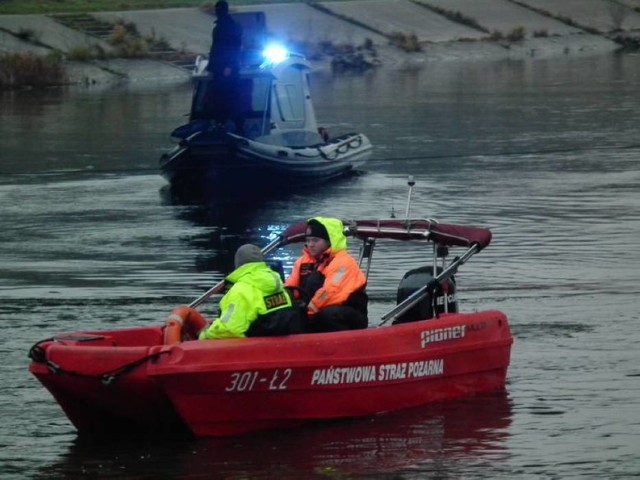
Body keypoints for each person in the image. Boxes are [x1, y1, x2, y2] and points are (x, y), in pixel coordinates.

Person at [199, 244, 302, 339]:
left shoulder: (240, 291)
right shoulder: (279, 286)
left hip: (253, 351)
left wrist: (204, 335)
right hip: (277, 348)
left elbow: (228, 330)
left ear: (238, 265)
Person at [285, 217, 369, 333]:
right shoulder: (302, 262)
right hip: (312, 310)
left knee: (328, 315)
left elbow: (330, 292)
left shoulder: (343, 263)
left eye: (315, 240)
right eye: (308, 240)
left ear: (329, 241)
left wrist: (306, 312)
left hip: (348, 313)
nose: (310, 245)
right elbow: (290, 285)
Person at [204, 0, 243, 126]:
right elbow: (216, 48)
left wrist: (229, 66)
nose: (217, 12)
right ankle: (219, 122)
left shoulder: (232, 28)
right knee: (218, 96)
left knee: (228, 95)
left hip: (226, 68)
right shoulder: (221, 27)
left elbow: (235, 47)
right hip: (219, 67)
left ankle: (231, 123)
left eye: (218, 9)